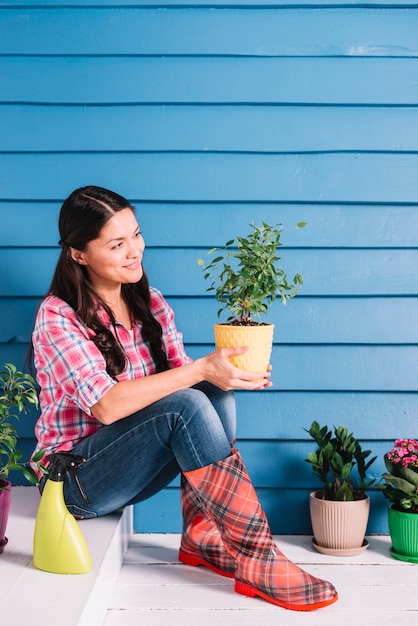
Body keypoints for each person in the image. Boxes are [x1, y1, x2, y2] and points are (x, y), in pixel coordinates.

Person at [31, 185, 337, 611]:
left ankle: (202, 534)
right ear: (78, 254)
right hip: (74, 484)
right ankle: (258, 558)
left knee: (213, 395)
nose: (134, 250)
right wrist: (200, 370)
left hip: (127, 467)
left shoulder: (150, 304)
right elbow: (108, 405)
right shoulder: (57, 316)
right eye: (116, 244)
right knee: (190, 399)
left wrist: (228, 376)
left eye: (135, 235)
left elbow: (194, 386)